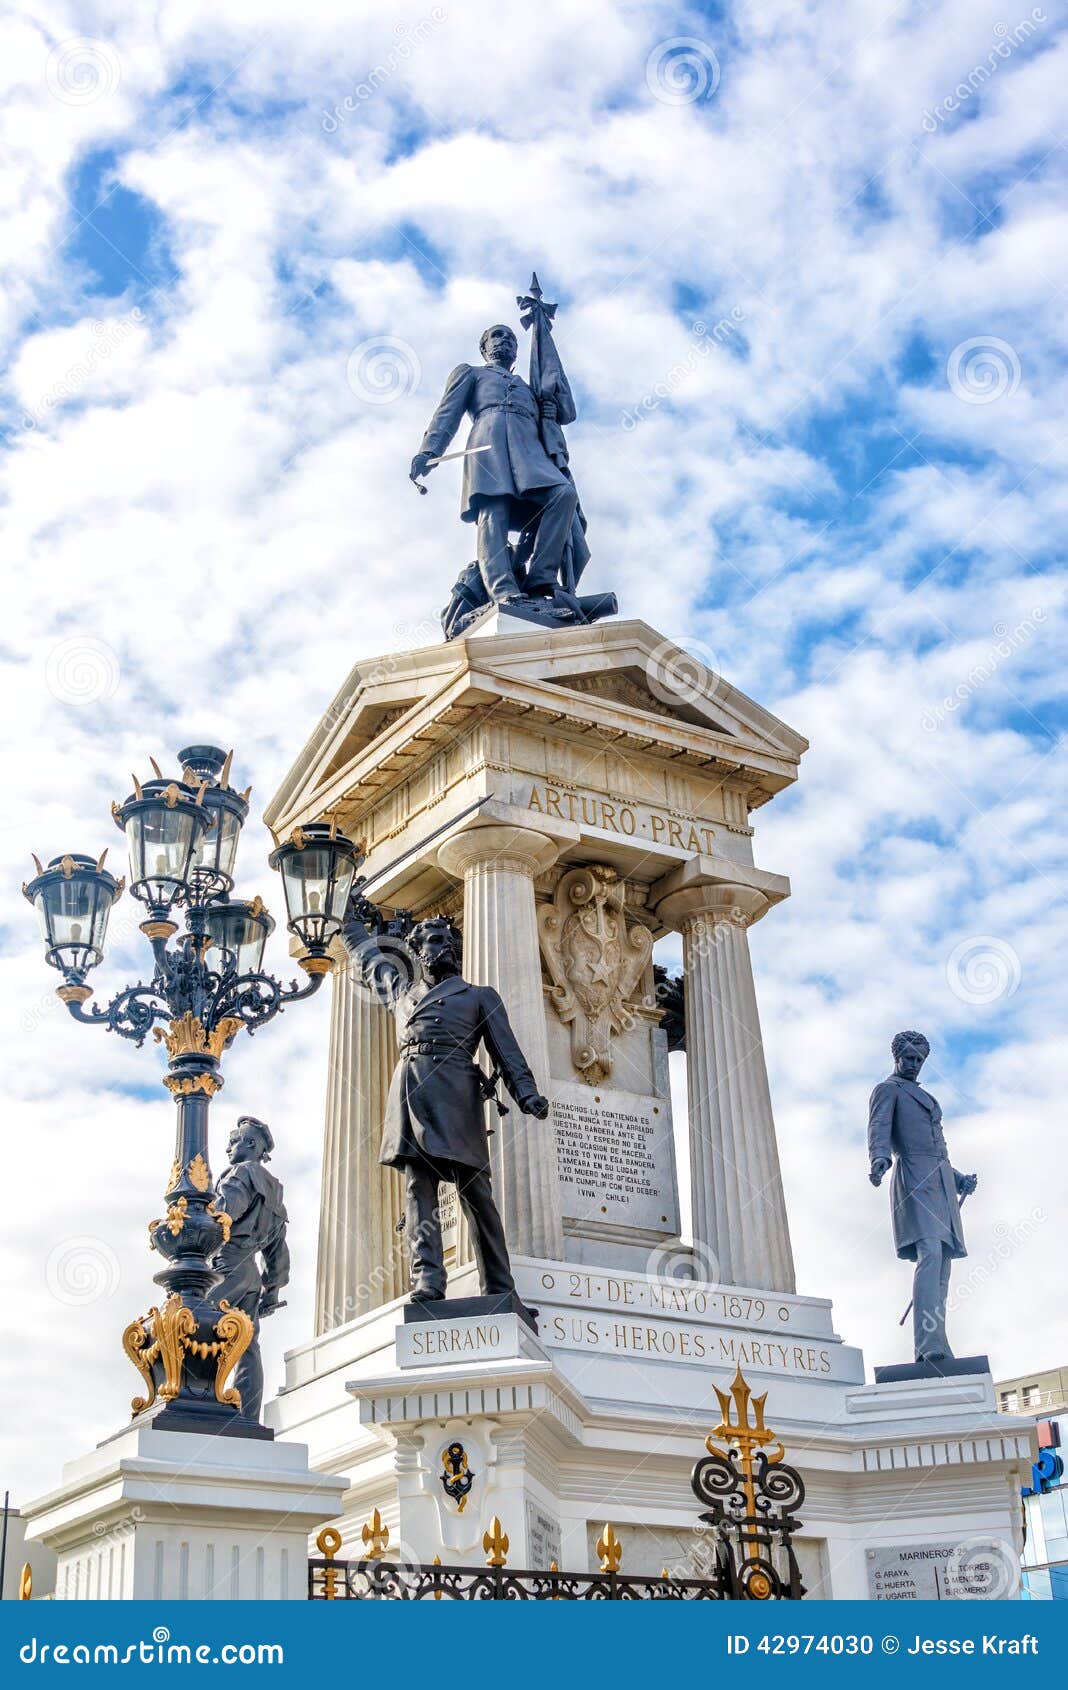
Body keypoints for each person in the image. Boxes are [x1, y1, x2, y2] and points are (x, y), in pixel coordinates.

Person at [342, 905, 549, 1314]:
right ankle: (428, 1281)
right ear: (418, 952)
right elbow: (367, 955)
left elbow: (506, 1051)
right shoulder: (401, 993)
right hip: (411, 1091)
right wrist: (344, 913)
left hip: (457, 1092)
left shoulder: (478, 996)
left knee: (476, 1193)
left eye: (450, 941)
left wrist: (526, 1093)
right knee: (418, 1190)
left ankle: (499, 1286)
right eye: (436, 942)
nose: (447, 948)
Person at [411, 323, 579, 605]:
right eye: (498, 335)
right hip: (489, 443)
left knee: (563, 495)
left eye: (512, 337)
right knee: (494, 512)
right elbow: (447, 413)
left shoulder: (531, 388)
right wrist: (428, 450)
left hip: (530, 450)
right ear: (484, 347)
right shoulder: (471, 373)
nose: (506, 341)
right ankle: (502, 589)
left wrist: (549, 411)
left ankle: (541, 577)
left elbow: (567, 413)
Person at [868, 1031, 977, 1363]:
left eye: (919, 1060)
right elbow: (879, 1127)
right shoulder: (888, 1090)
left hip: (941, 1180)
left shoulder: (924, 1095)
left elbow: (938, 1149)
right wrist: (878, 1159)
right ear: (896, 1057)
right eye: (909, 1058)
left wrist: (958, 1179)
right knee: (929, 1253)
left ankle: (938, 1342)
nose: (914, 1065)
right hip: (913, 1176)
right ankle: (926, 1345)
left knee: (943, 1261)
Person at [211, 1116, 289, 1422]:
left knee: (193, 1323)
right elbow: (278, 1249)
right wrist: (273, 1290)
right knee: (246, 1345)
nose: (228, 1146)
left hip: (226, 1265)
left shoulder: (240, 1175)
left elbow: (221, 1215)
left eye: (234, 1140)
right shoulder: (275, 1190)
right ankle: (246, 1418)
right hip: (252, 1276)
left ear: (251, 1144)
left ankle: (196, 1405)